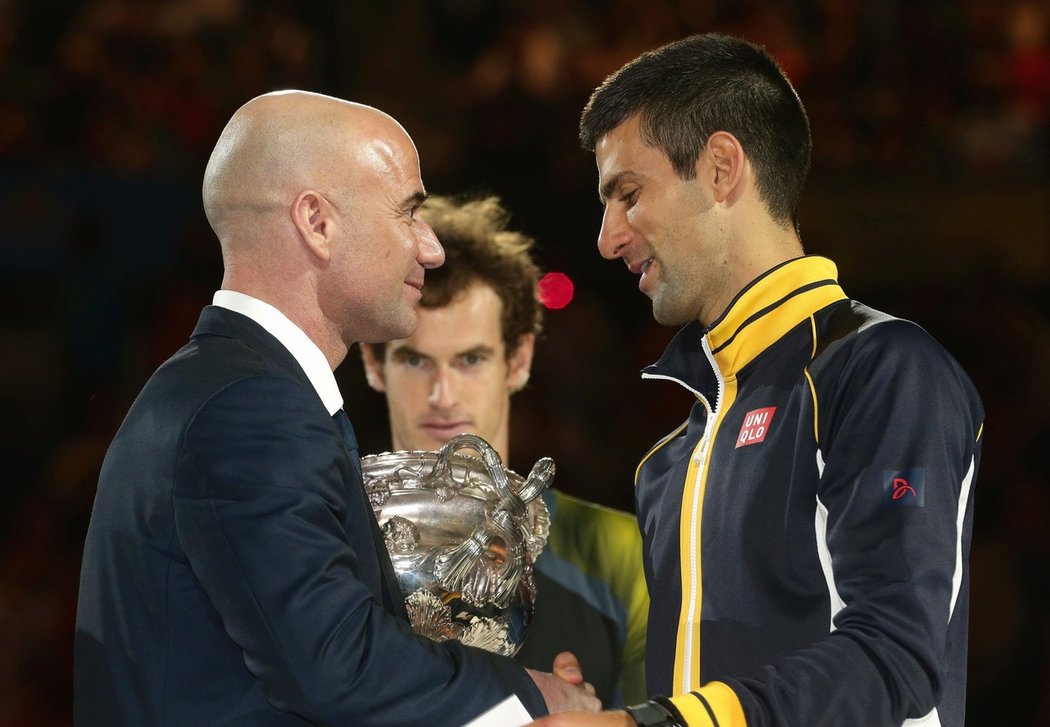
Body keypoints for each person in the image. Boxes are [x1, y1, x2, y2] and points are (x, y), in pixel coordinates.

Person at [73, 90, 601, 726]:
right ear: (317, 223)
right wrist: (533, 699)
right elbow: (333, 665)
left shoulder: (218, 389)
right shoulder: (252, 407)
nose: (430, 248)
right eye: (408, 213)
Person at [531, 33, 984, 727]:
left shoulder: (883, 369)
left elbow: (896, 658)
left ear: (720, 168)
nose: (607, 237)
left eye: (627, 193)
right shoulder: (667, 461)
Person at [359, 194, 650, 707]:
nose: (442, 395)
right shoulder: (321, 540)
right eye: (415, 361)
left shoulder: (617, 553)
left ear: (518, 360)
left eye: (470, 359)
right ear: (374, 363)